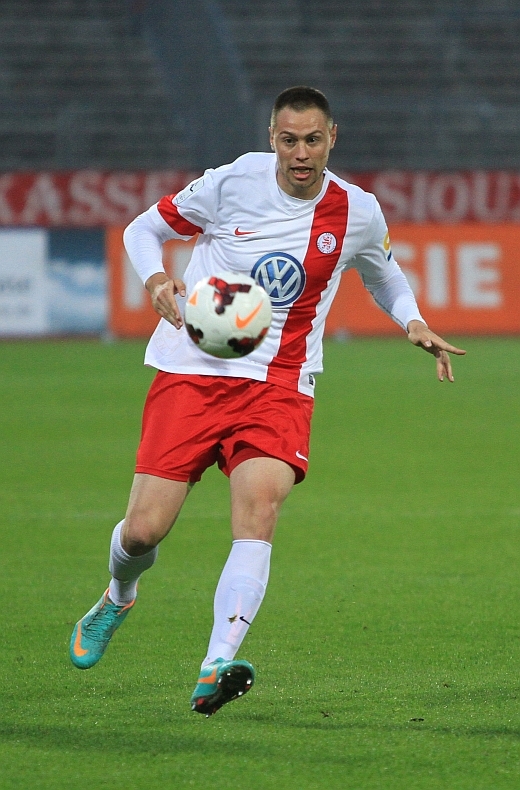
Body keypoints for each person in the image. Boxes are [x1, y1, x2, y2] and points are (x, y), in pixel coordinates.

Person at [70, 86, 465, 716]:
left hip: (279, 382)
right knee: (142, 532)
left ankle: (216, 663)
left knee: (259, 511)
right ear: (272, 139)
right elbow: (144, 229)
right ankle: (118, 595)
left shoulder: (357, 211)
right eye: (289, 140)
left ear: (332, 139)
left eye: (312, 140)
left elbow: (383, 272)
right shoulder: (232, 183)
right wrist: (156, 278)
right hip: (192, 370)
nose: (300, 153)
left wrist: (412, 321)